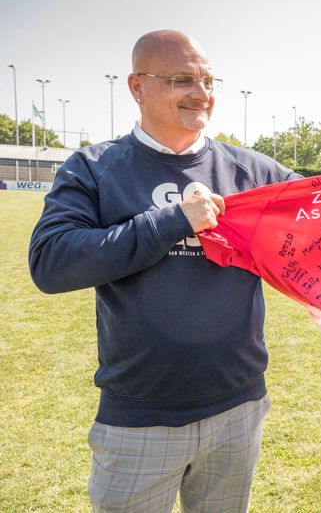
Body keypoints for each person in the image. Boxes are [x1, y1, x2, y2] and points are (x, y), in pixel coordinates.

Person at [29, 30, 299, 512]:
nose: (201, 94)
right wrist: (172, 222)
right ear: (137, 86)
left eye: (208, 80)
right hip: (139, 420)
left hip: (238, 411)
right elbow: (51, 261)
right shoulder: (95, 167)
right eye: (182, 80)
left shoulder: (249, 171)